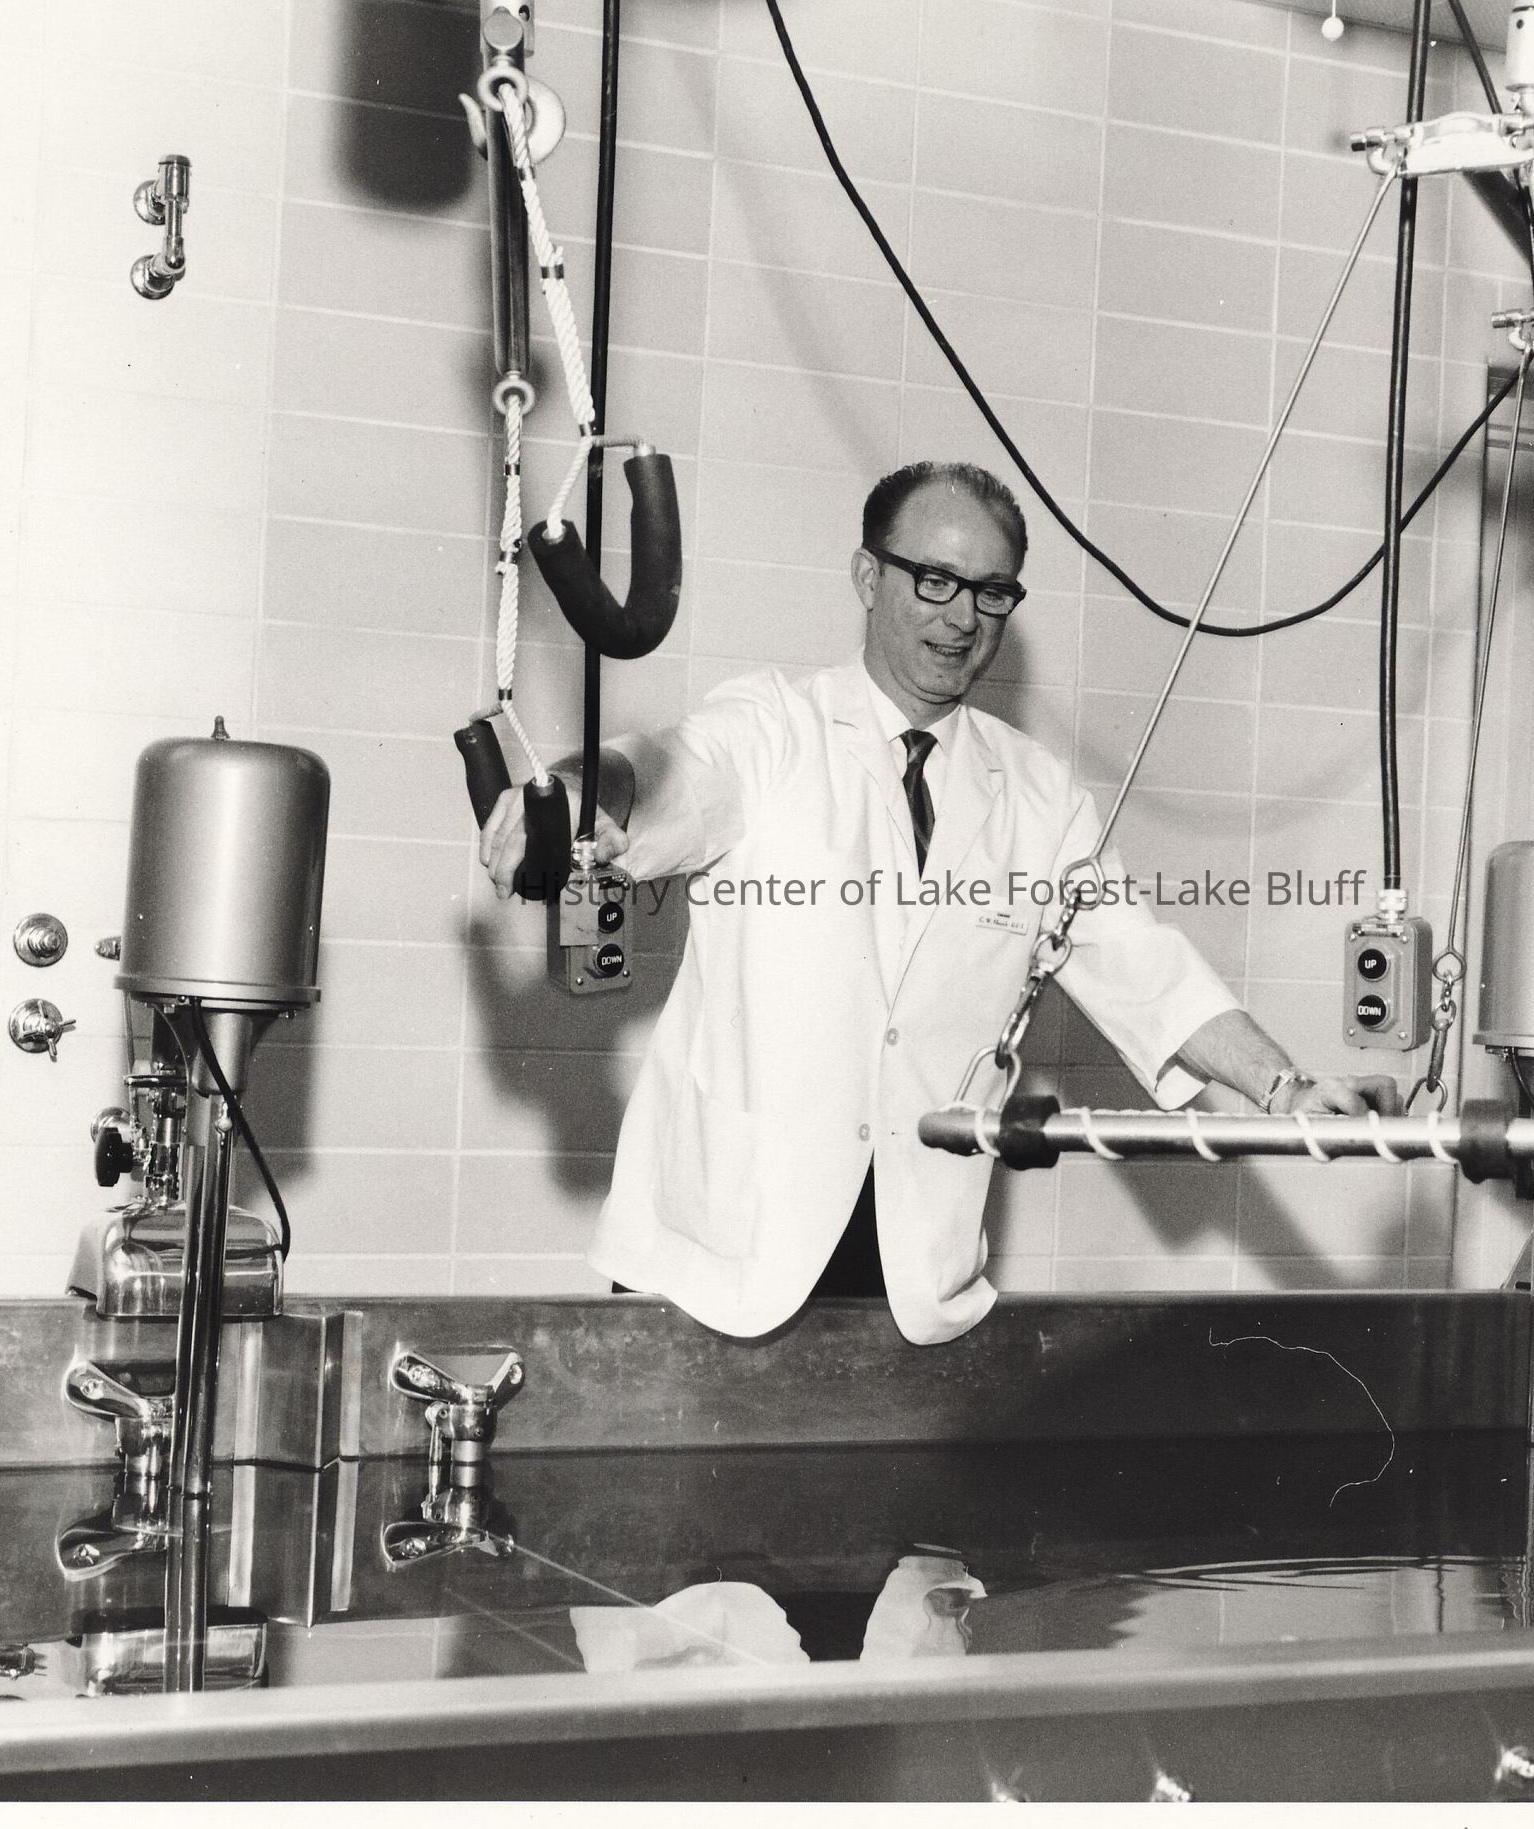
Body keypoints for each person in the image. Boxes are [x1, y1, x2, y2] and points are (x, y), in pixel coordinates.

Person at [482, 461, 1399, 1344]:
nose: (962, 617)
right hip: (719, 1259)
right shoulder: (774, 726)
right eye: (934, 581)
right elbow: (660, 768)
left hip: (912, 1278)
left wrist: (1284, 1086)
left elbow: (1144, 966)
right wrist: (571, 797)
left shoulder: (1038, 795)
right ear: (867, 577)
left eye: (991, 592)